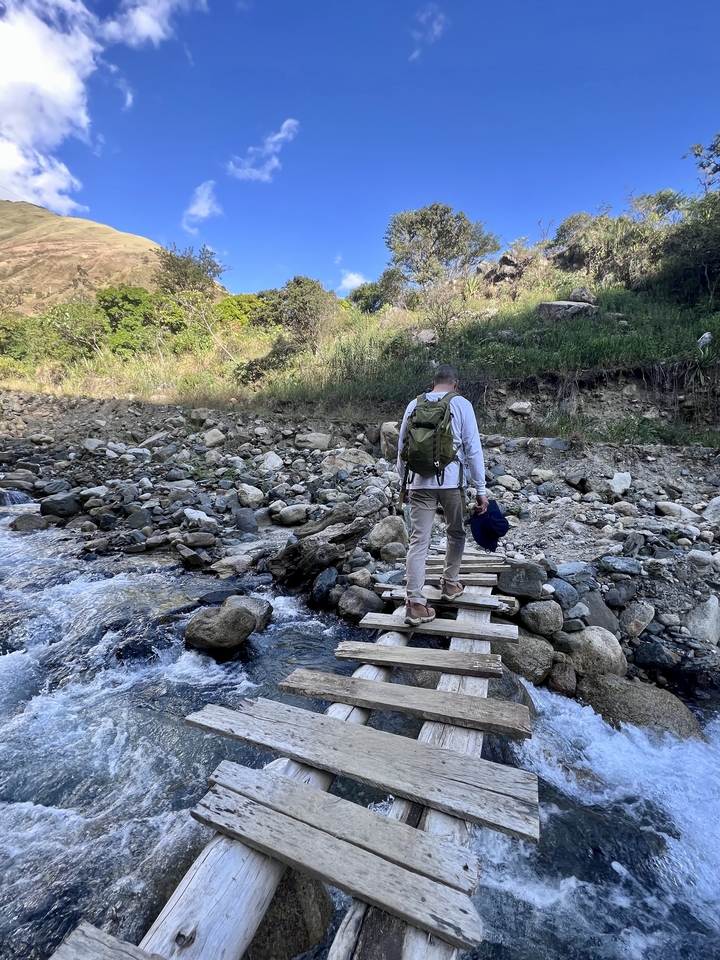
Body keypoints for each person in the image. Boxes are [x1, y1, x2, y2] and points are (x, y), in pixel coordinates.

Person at [397, 364, 488, 626]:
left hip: (418, 483)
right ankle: (450, 583)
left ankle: (414, 602)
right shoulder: (461, 404)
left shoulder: (414, 404)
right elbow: (473, 449)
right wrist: (480, 489)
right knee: (456, 532)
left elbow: (402, 446)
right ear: (456, 383)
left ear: (433, 383)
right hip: (451, 483)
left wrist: (404, 484)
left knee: (419, 541)